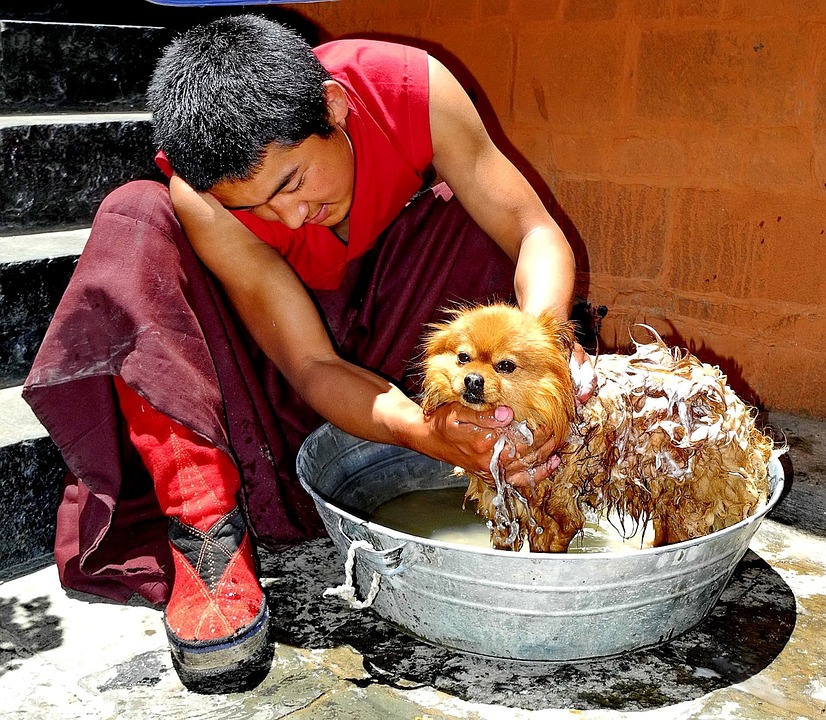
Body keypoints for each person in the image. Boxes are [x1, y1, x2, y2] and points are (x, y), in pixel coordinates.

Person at [23, 13, 595, 693]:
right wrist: (420, 431)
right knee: (134, 215)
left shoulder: (414, 92)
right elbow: (311, 366)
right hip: (279, 402)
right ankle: (208, 541)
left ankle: (511, 450)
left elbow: (535, 232)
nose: (290, 220)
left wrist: (538, 353)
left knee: (463, 220)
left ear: (335, 105)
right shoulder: (203, 195)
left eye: (292, 182)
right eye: (257, 208)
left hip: (405, 343)